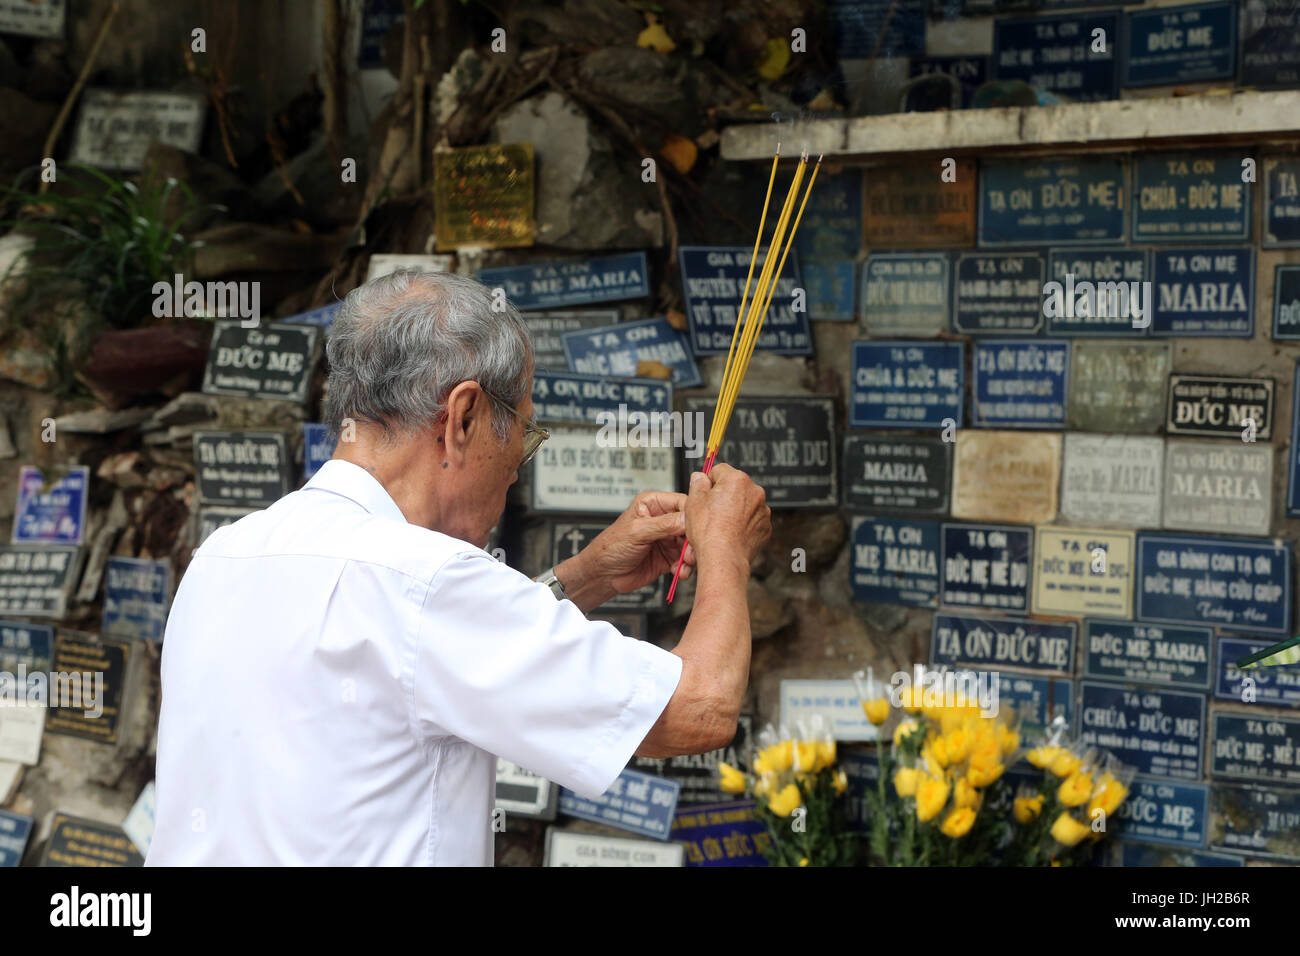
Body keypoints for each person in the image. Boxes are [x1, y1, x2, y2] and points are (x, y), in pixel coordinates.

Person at [147, 270, 771, 865]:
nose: (517, 465)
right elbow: (698, 710)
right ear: (463, 417)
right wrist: (725, 549)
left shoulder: (224, 556)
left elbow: (425, 662)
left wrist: (590, 575)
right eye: (523, 433)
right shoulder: (426, 581)